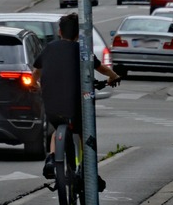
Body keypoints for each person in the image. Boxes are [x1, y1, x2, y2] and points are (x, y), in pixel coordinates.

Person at [33, 14, 120, 190]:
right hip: (75, 106)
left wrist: (36, 85)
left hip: (52, 105)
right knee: (84, 132)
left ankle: (51, 159)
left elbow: (36, 72)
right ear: (78, 34)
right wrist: (113, 76)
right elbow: (101, 68)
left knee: (56, 130)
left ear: (59, 32)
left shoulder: (49, 48)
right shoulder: (82, 50)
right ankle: (89, 170)